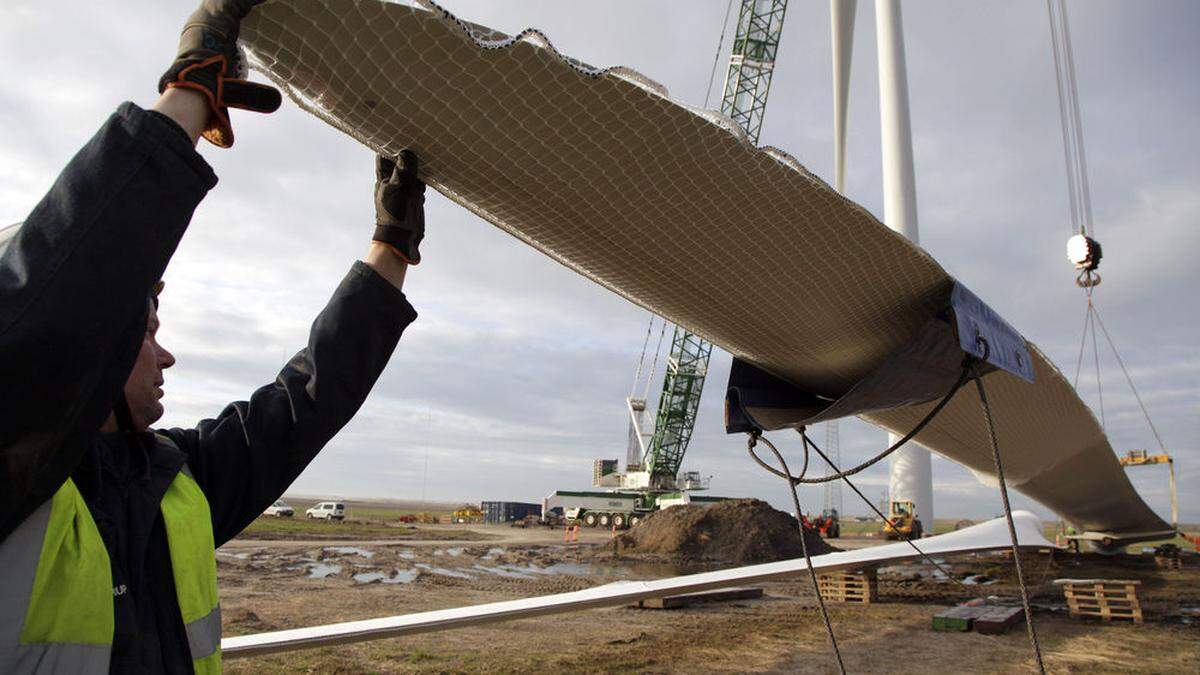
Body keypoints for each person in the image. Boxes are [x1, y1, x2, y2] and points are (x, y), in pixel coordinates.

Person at [0, 1, 425, 672]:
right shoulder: (14, 477)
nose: (165, 352)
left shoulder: (174, 480)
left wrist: (390, 250)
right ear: (97, 338)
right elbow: (62, 298)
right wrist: (191, 92)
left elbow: (304, 403)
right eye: (146, 330)